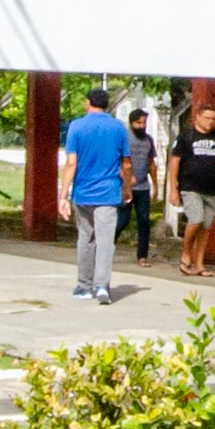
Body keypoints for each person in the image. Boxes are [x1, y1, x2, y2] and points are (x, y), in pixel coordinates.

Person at [60, 88, 132, 303]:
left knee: (85, 238)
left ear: (88, 102)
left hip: (82, 193)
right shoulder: (118, 127)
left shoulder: (77, 126)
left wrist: (63, 195)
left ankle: (83, 286)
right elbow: (126, 164)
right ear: (107, 104)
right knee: (105, 241)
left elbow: (71, 163)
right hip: (109, 193)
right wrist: (126, 187)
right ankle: (102, 286)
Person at [174, 110, 215, 278]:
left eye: (213, 118)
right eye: (206, 118)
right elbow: (174, 161)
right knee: (196, 219)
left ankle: (199, 264)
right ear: (197, 117)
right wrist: (173, 189)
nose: (210, 121)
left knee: (205, 227)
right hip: (190, 187)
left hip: (211, 188)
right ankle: (186, 253)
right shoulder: (186, 136)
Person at [122, 103, 157, 259]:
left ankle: (142, 256)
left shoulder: (148, 140)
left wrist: (155, 185)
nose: (142, 126)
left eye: (144, 123)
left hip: (143, 187)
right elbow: (117, 162)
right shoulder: (124, 138)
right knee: (122, 220)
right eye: (138, 123)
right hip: (125, 186)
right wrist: (127, 178)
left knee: (144, 221)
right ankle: (107, 248)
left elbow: (151, 163)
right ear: (131, 123)